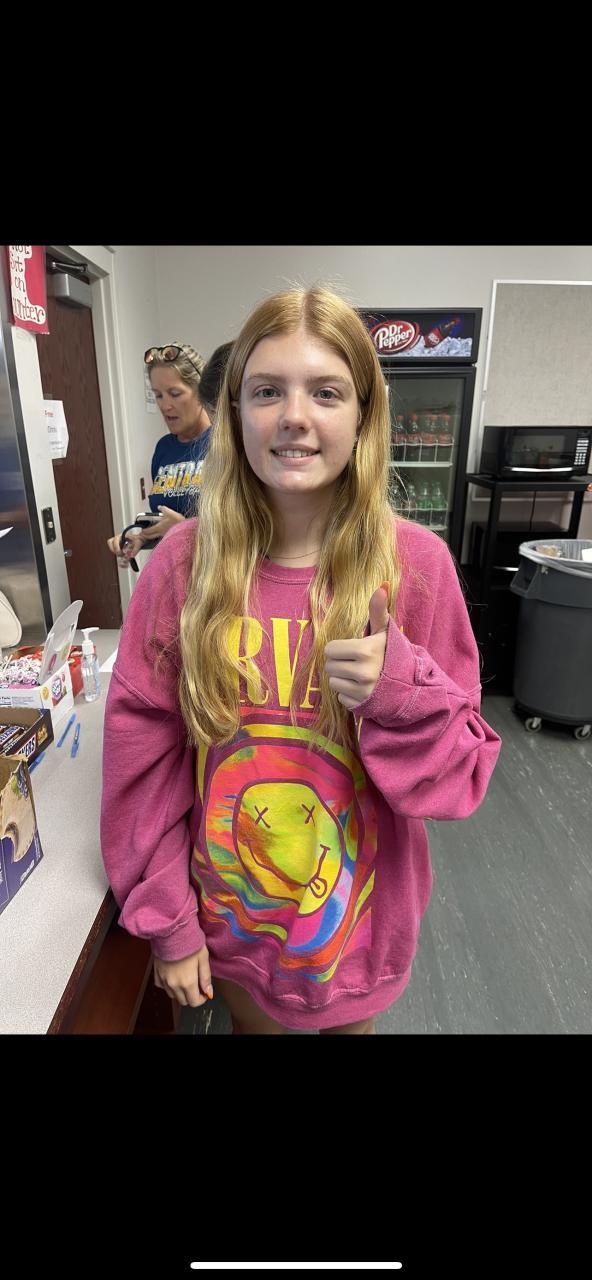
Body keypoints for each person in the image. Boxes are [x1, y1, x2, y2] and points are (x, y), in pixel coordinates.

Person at [101, 286, 502, 1035]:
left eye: (325, 391)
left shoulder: (417, 567)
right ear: (233, 414)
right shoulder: (183, 566)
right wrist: (167, 917)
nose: (294, 415)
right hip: (234, 921)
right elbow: (141, 755)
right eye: (266, 391)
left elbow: (460, 776)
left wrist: (399, 691)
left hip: (362, 925)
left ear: (363, 415)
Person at [106, 342, 210, 568]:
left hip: (218, 577)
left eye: (174, 394)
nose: (165, 405)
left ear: (202, 391)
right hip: (173, 573)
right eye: (158, 395)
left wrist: (183, 527)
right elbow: (165, 527)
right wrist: (141, 538)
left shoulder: (227, 444)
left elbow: (249, 527)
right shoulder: (163, 448)